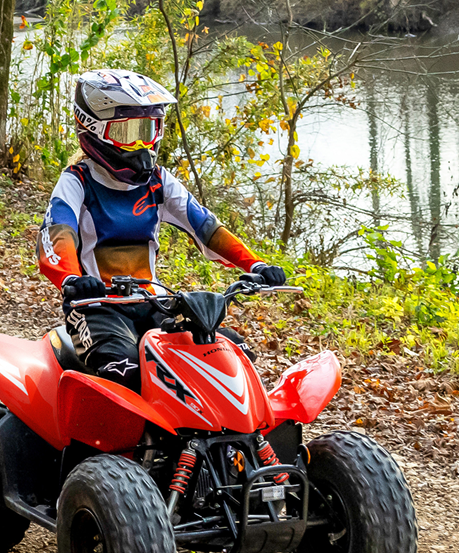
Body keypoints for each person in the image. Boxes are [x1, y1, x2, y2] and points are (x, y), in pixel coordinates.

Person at [37, 68, 286, 392]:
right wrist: (70, 279)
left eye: (149, 130)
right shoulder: (77, 181)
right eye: (129, 133)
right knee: (125, 371)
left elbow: (206, 227)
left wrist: (255, 265)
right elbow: (57, 236)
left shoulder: (158, 181)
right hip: (94, 307)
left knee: (231, 355)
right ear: (94, 130)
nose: (142, 144)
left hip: (154, 302)